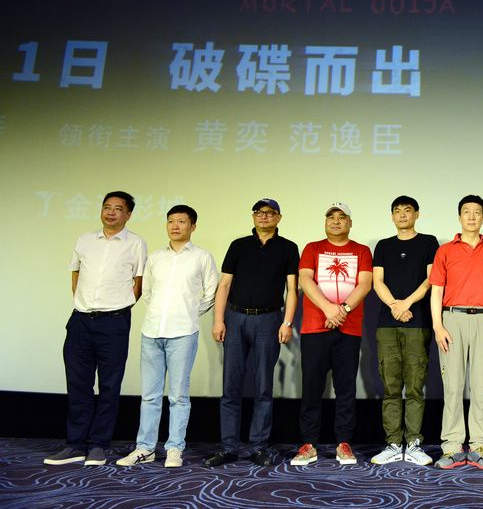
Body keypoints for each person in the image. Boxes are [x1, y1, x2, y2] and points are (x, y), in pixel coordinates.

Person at [44, 191, 148, 466]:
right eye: (107, 207)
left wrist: (118, 307)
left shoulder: (136, 243)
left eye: (118, 208)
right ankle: (76, 445)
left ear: (128, 214)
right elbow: (75, 274)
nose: (111, 212)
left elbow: (139, 284)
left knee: (110, 386)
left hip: (114, 322)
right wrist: (85, 304)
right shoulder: (85, 240)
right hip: (80, 320)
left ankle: (99, 445)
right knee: (78, 383)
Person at [115, 205, 218, 469]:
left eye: (181, 221)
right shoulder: (155, 257)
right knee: (149, 396)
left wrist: (188, 313)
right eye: (171, 221)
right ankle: (145, 448)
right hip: (151, 331)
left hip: (183, 332)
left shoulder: (202, 257)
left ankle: (174, 449)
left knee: (178, 396)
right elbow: (147, 292)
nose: (175, 226)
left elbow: (210, 293)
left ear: (193, 226)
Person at [205, 198, 299, 467]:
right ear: (253, 216)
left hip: (269, 320)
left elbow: (292, 290)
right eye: (259, 212)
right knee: (230, 387)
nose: (264, 217)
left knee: (263, 387)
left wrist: (287, 323)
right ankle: (228, 447)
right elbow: (224, 286)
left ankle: (259, 446)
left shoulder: (288, 248)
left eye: (270, 213)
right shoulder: (239, 245)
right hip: (235, 318)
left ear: (279, 217)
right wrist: (219, 320)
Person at [291, 202, 373, 467]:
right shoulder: (312, 248)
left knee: (346, 388)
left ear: (350, 223)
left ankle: (344, 443)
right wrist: (328, 308)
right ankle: (308, 444)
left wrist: (343, 310)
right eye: (331, 217)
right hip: (315, 328)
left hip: (348, 329)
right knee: (311, 387)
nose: (336, 221)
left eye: (342, 217)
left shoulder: (361, 250)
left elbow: (365, 284)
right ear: (325, 222)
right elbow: (305, 279)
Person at [430, 195, 483, 470]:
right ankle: (451, 447)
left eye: (477, 212)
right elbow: (437, 291)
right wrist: (438, 325)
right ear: (459, 216)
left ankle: (479, 446)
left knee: (481, 386)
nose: (471, 216)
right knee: (453, 386)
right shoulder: (445, 251)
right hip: (452, 319)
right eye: (466, 212)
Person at [370, 196, 439, 466]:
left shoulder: (428, 242)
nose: (402, 215)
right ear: (392, 216)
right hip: (387, 324)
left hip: (417, 322)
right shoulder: (384, 245)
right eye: (397, 211)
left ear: (416, 214)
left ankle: (413, 444)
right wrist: (395, 306)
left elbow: (431, 279)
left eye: (407, 210)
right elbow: (377, 281)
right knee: (390, 387)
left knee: (414, 387)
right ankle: (392, 443)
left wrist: (406, 304)